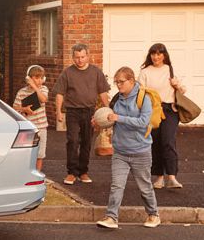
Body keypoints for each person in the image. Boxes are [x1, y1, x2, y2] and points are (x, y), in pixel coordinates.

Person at [95, 66, 162, 230]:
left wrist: (119, 118)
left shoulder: (143, 98)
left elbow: (143, 123)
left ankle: (153, 214)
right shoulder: (117, 98)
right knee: (117, 185)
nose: (118, 85)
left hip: (141, 151)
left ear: (131, 81)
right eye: (116, 82)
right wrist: (102, 120)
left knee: (145, 187)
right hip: (120, 151)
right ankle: (111, 217)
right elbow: (111, 117)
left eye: (121, 82)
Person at [52, 43, 111, 185]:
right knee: (72, 141)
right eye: (77, 57)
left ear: (88, 56)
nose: (80, 60)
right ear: (73, 57)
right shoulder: (67, 73)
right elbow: (60, 93)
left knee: (86, 142)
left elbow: (103, 92)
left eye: (83, 57)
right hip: (72, 112)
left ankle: (83, 172)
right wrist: (58, 111)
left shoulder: (96, 72)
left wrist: (108, 110)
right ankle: (72, 172)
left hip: (90, 112)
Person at [140, 42, 184, 189]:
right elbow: (140, 92)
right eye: (153, 54)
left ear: (164, 55)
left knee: (168, 141)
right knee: (156, 143)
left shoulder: (169, 69)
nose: (156, 57)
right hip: (152, 109)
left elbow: (183, 91)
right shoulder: (145, 72)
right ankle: (159, 178)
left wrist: (176, 84)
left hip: (170, 110)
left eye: (159, 54)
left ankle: (172, 177)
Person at [13, 65, 49, 166]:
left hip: (41, 128)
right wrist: (24, 109)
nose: (39, 80)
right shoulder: (21, 92)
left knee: (40, 155)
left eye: (41, 78)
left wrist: (34, 87)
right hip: (28, 128)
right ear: (28, 78)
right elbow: (14, 108)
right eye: (36, 78)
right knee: (27, 155)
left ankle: (36, 177)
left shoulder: (43, 89)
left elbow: (43, 99)